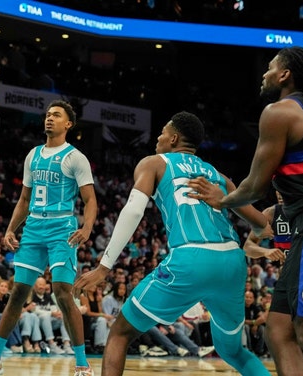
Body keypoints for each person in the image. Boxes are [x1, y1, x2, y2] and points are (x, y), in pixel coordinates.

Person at [75, 111, 270, 376]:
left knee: (120, 333)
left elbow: (133, 211)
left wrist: (104, 266)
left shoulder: (154, 163)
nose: (158, 137)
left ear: (174, 138)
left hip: (191, 257)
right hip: (233, 262)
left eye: (163, 132)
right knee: (233, 351)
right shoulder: (218, 176)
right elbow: (262, 225)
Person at [187, 47, 303, 375]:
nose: (264, 74)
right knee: (278, 328)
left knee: (301, 330)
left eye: (270, 68)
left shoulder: (280, 111)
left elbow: (254, 186)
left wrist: (221, 198)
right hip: (298, 233)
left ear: (285, 75)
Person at [0, 100, 97, 376]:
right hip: (33, 229)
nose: (49, 119)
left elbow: (90, 200)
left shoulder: (75, 157)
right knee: (17, 294)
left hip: (61, 229)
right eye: (48, 115)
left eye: (56, 115)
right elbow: (25, 198)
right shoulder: (33, 155)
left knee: (63, 294)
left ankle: (82, 365)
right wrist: (10, 228)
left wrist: (87, 228)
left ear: (68, 124)